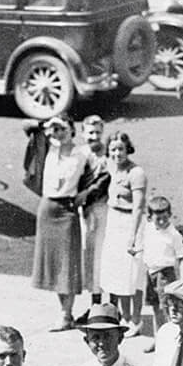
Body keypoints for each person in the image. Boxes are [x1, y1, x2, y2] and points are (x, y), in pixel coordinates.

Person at [27, 114, 94, 331]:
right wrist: (48, 124)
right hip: (47, 209)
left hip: (67, 210)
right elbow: (26, 126)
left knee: (68, 264)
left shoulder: (82, 152)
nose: (59, 133)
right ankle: (64, 313)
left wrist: (87, 192)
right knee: (54, 264)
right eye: (55, 130)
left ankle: (67, 315)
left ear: (72, 130)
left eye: (63, 128)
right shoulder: (48, 147)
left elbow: (100, 173)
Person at [97, 132, 148, 336]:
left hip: (130, 223)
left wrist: (133, 235)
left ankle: (136, 319)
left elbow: (138, 207)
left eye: (121, 149)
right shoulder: (111, 166)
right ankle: (125, 318)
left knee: (133, 275)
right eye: (113, 149)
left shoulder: (136, 173)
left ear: (128, 149)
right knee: (117, 274)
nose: (117, 153)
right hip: (114, 221)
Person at [139, 195, 183, 341]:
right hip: (150, 273)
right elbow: (146, 246)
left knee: (168, 309)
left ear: (170, 215)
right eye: (157, 219)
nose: (161, 222)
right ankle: (158, 339)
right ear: (150, 217)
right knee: (155, 308)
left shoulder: (174, 235)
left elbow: (182, 258)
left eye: (165, 218)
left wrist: (182, 282)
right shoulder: (148, 229)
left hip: (165, 275)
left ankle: (172, 341)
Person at [78, 114, 109, 301]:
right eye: (90, 132)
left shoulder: (107, 154)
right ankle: (93, 302)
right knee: (87, 254)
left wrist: (87, 193)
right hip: (84, 210)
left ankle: (103, 302)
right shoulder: (79, 153)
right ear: (83, 133)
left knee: (100, 254)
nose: (94, 137)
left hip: (102, 208)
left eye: (98, 132)